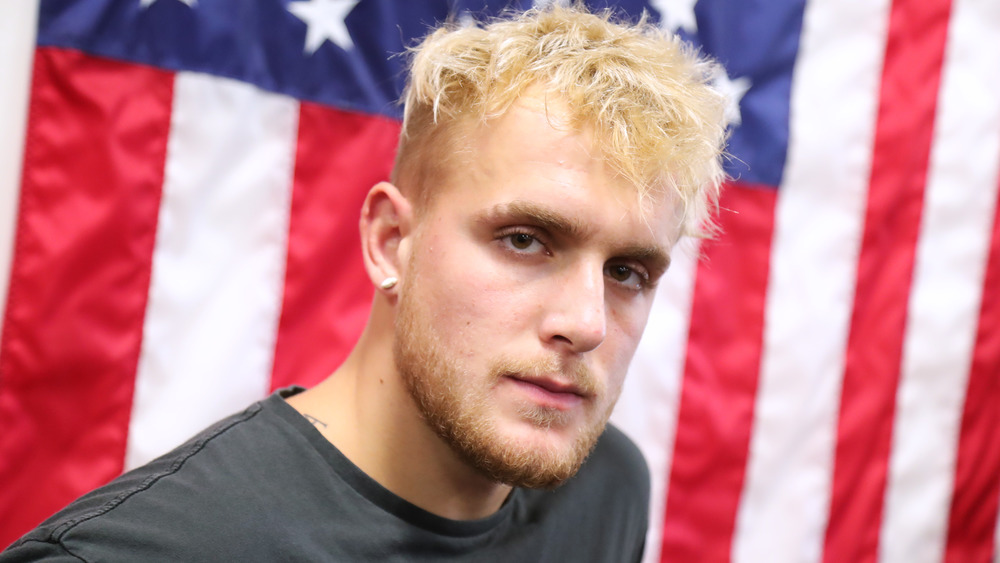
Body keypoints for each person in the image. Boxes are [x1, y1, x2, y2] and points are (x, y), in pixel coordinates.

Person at [1, 4, 726, 561]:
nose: (587, 321)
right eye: (526, 239)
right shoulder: (136, 552)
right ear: (390, 241)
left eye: (627, 271)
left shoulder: (604, 492)